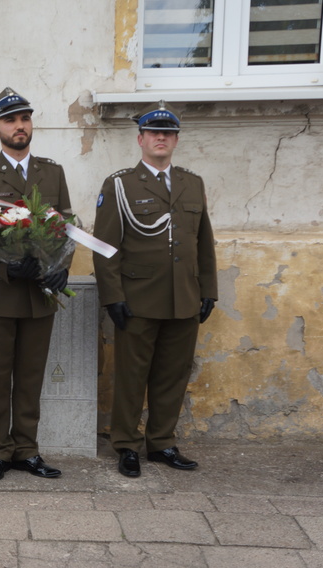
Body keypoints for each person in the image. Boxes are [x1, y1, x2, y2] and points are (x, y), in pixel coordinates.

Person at [92, 101, 218, 478]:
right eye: (154, 132)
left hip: (184, 296)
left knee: (173, 374)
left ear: (176, 140)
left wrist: (208, 289)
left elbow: (203, 242)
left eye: (168, 132)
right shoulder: (120, 185)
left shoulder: (191, 183)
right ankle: (127, 444)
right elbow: (105, 246)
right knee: (132, 376)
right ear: (140, 139)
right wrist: (113, 296)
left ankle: (162, 442)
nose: (161, 138)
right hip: (138, 297)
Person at [0, 87, 72, 482]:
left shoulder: (52, 171)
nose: (19, 126)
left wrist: (61, 269)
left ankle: (27, 449)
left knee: (30, 377)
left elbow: (65, 226)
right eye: (10, 120)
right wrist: (8, 269)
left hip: (40, 295)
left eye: (24, 118)